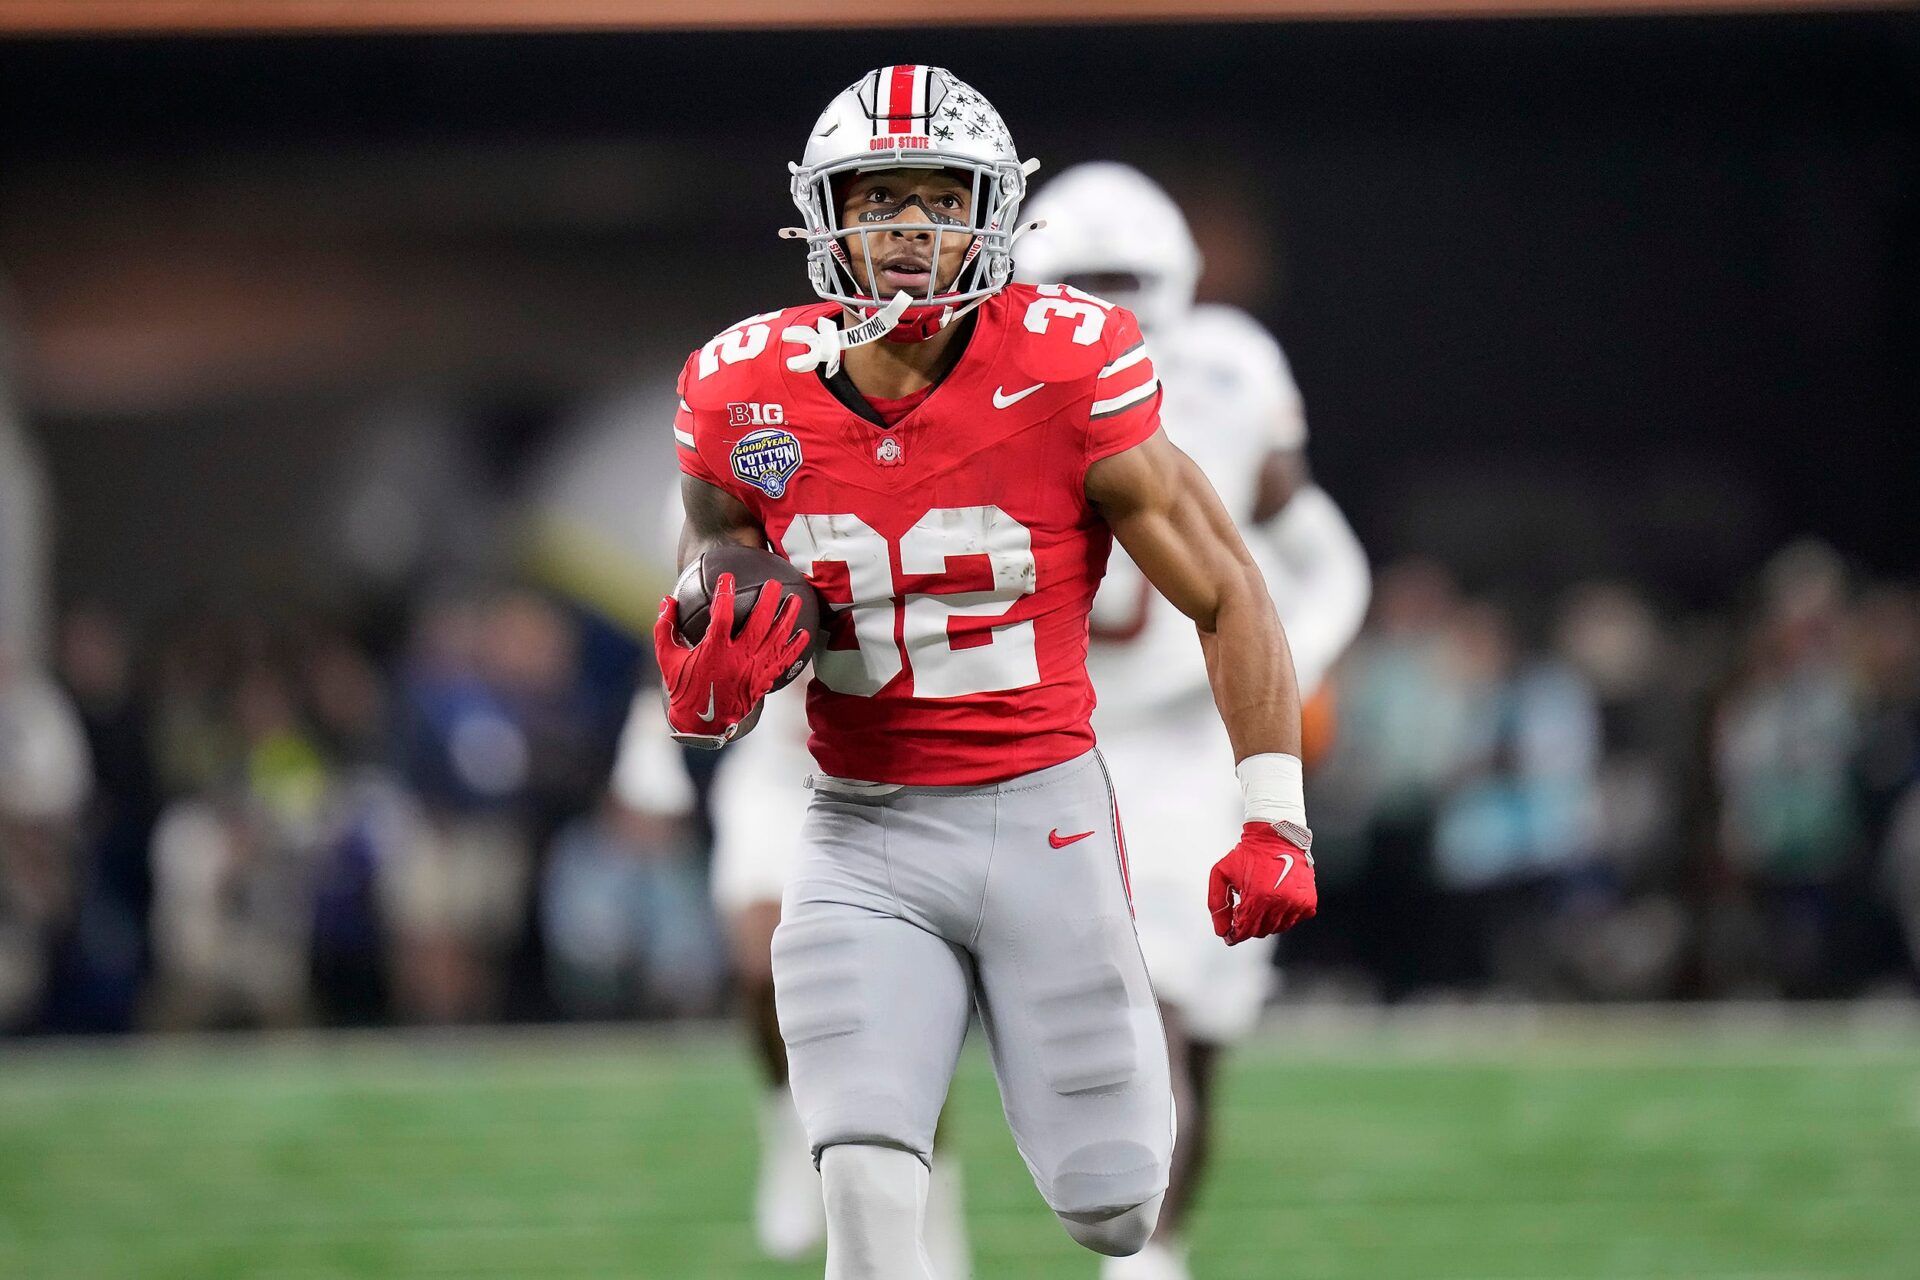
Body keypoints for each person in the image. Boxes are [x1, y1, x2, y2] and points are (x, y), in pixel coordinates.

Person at [654, 66, 1317, 1278]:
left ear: (993, 215)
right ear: (827, 219)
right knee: (860, 1164)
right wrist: (704, 664)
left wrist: (1275, 813)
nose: (908, 228)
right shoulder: (740, 390)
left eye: (937, 197)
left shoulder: (1072, 365)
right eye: (878, 198)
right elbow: (716, 579)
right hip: (859, 823)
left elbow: (1228, 586)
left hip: (1044, 813)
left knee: (1117, 1202)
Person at [1016, 162, 1371, 1280]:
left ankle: (1157, 1243)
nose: (1109, 303)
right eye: (1088, 278)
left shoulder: (1223, 371)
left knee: (1201, 1020)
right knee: (1139, 991)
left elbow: (1318, 551)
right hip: (1054, 731)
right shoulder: (990, 375)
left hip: (1184, 730)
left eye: (1126, 278)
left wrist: (1276, 671)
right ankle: (1144, 1253)